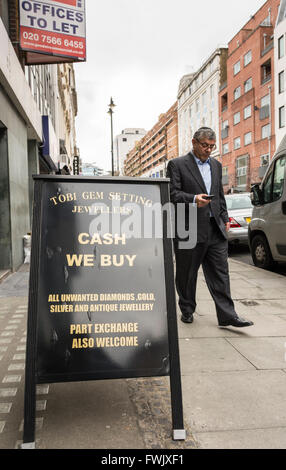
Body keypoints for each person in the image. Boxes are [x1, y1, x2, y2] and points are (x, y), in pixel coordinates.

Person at [167, 127, 253, 328]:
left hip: (215, 229)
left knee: (220, 273)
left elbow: (219, 195)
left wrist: (224, 219)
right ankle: (187, 310)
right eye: (205, 145)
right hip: (189, 228)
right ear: (194, 142)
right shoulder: (177, 164)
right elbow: (171, 194)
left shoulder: (216, 164)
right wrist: (193, 199)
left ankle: (227, 316)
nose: (208, 150)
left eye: (212, 147)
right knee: (187, 273)